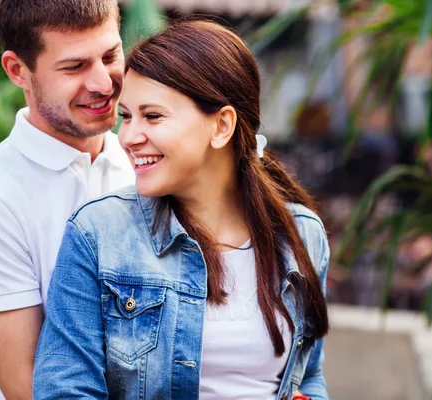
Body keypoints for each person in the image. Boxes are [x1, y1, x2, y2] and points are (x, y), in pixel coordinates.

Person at [33, 20, 330, 400]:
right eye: (127, 116)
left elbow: (308, 378)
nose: (127, 137)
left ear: (221, 126)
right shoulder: (99, 235)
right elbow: (64, 391)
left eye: (152, 116)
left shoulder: (302, 235)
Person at [0, 1, 134, 399]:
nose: (104, 83)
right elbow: (33, 389)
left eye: (110, 56)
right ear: (17, 71)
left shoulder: (148, 165)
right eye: (74, 67)